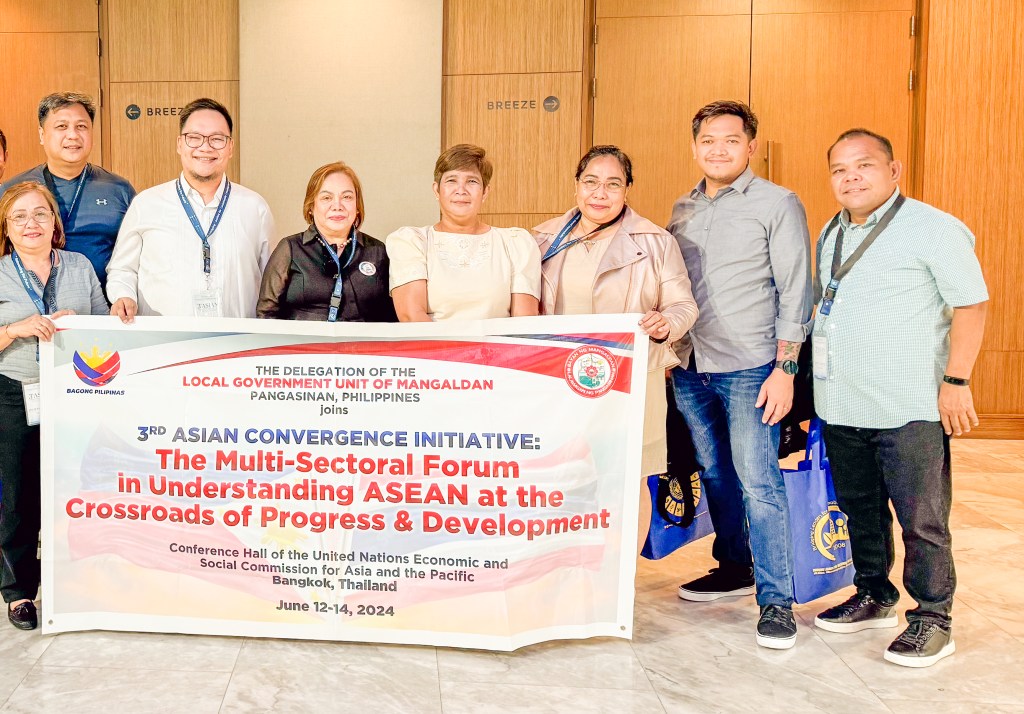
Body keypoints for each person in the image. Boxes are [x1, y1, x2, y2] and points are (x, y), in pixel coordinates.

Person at [811, 129, 988, 668]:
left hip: (908, 403)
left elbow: (972, 306)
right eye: (840, 170)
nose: (851, 178)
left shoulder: (933, 229)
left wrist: (956, 381)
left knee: (922, 518)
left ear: (895, 170)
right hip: (842, 401)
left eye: (864, 166)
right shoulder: (831, 231)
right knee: (860, 509)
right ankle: (874, 594)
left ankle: (933, 617)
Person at [668, 100, 812, 649]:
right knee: (717, 475)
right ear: (695, 145)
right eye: (708, 140)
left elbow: (796, 288)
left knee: (759, 481)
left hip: (753, 366)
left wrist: (786, 367)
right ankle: (734, 566)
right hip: (691, 364)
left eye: (731, 140)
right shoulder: (682, 207)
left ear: (751, 146)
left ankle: (776, 602)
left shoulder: (778, 203)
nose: (718, 149)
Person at [532, 145, 699, 554]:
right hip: (559, 382)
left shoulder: (656, 241)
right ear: (576, 186)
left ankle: (620, 581)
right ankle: (566, 570)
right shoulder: (541, 239)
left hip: (630, 381)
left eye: (612, 184)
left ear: (627, 189)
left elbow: (683, 305)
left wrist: (667, 324)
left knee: (625, 477)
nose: (600, 193)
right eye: (591, 182)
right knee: (562, 475)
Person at [0, 181, 108, 630]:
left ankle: (76, 583)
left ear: (54, 222)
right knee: (18, 496)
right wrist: (17, 329)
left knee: (76, 491)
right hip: (15, 390)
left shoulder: (80, 267)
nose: (31, 223)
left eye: (40, 214)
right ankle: (19, 592)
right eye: (20, 216)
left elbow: (105, 325)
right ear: (7, 227)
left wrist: (83, 325)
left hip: (78, 393)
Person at [106, 98, 273, 320]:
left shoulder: (255, 207)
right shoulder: (146, 204)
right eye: (194, 138)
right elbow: (122, 269)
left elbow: (271, 281)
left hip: (237, 345)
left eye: (217, 139)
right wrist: (123, 296)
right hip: (164, 346)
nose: (205, 147)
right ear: (179, 144)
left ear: (230, 147)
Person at [386, 144, 540, 321]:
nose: (461, 190)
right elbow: (412, 316)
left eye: (472, 181)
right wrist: (451, 349)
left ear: (485, 192)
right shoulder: (413, 242)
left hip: (499, 348)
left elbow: (523, 323)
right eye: (451, 180)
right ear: (436, 190)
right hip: (433, 347)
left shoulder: (515, 243)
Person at [0, 93, 135, 289]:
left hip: (103, 310)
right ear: (41, 134)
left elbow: (135, 255)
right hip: (32, 311)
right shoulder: (12, 190)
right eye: (61, 126)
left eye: (81, 126)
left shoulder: (119, 189)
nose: (72, 135)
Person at [258, 161, 396, 322]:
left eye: (347, 197)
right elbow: (266, 315)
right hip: (302, 346)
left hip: (361, 345)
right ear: (311, 206)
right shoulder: (290, 249)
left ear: (357, 206)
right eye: (326, 197)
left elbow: (391, 316)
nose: (337, 206)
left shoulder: (377, 251)